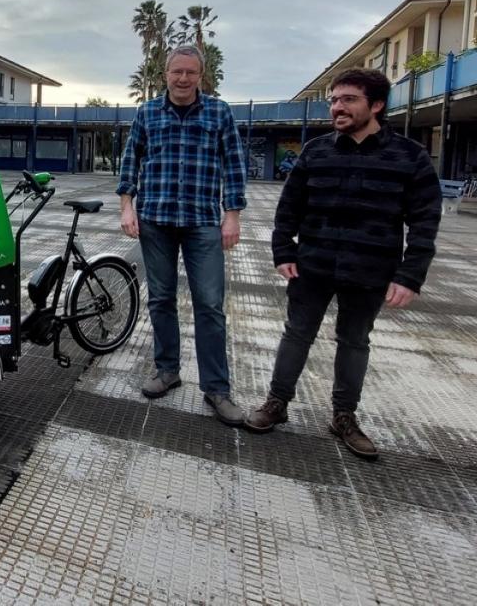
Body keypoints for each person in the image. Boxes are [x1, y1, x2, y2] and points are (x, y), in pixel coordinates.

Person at [245, 68, 441, 460]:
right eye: (334, 99)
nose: (338, 106)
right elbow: (289, 208)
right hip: (312, 266)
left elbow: (425, 220)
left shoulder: (409, 157)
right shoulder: (316, 151)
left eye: (349, 99)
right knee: (296, 335)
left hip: (370, 270)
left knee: (354, 342)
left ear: (377, 105)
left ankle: (344, 417)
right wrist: (283, 251)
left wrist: (410, 275)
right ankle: (277, 403)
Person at [118, 45, 248, 426]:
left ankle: (217, 389)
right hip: (155, 219)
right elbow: (130, 161)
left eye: (191, 72)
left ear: (201, 76)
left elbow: (234, 166)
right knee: (160, 299)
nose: (183, 78)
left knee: (210, 304)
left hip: (202, 222)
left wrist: (233, 216)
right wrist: (127, 207)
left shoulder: (219, 112)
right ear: (166, 73)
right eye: (177, 71)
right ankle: (167, 370)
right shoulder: (146, 113)